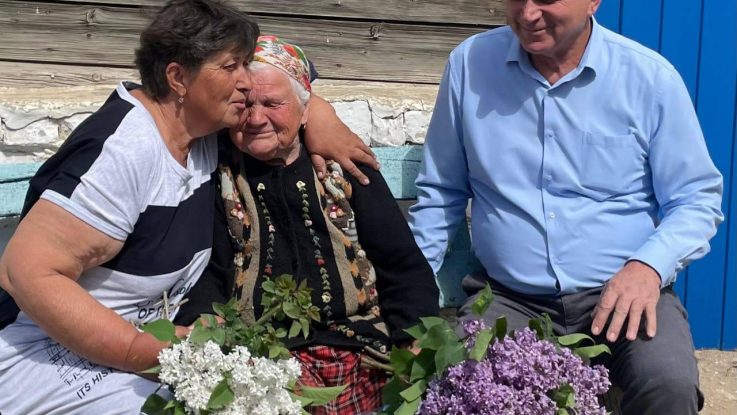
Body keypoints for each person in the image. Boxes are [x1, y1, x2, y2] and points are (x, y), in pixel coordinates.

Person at [0, 1, 378, 414]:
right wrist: (139, 350)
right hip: (45, 357)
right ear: (178, 78)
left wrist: (321, 116)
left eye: (245, 64)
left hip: (143, 352)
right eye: (231, 67)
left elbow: (290, 87)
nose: (247, 82)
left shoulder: (201, 132)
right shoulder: (125, 150)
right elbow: (25, 272)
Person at [409, 1, 723, 414]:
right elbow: (441, 192)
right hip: (509, 301)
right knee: (470, 390)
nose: (527, 13)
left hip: (623, 293)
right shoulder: (471, 65)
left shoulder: (649, 78)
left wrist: (648, 267)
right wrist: (410, 301)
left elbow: (696, 199)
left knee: (667, 384)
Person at [174, 36, 439, 415]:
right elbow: (208, 273)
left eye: (272, 104)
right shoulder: (219, 174)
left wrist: (412, 342)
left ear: (305, 112)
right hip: (262, 353)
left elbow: (402, 266)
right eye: (245, 105)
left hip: (360, 348)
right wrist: (205, 327)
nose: (256, 118)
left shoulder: (343, 169)